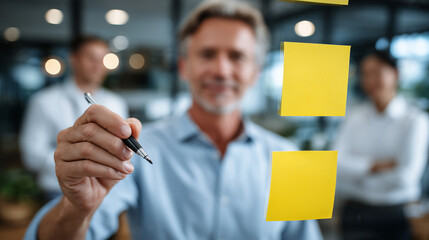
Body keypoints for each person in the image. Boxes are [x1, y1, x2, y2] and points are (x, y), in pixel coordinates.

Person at [25, 1, 322, 239]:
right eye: (207, 54)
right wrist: (77, 209)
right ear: (183, 66)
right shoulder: (132, 152)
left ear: (256, 72)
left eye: (237, 56)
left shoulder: (289, 157)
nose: (221, 70)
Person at [334, 51, 429, 240]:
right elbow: (336, 163)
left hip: (396, 214)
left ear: (395, 73)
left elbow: (406, 178)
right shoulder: (354, 117)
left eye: (376, 72)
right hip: (354, 212)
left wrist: (358, 173)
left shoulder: (415, 121)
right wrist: (376, 166)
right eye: (365, 73)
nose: (370, 79)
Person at [20, 36, 128, 201]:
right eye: (91, 58)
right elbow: (32, 157)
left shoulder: (117, 103)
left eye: (103, 59)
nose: (98, 65)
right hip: (57, 192)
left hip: (106, 193)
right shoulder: (44, 102)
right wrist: (83, 164)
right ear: (74, 59)